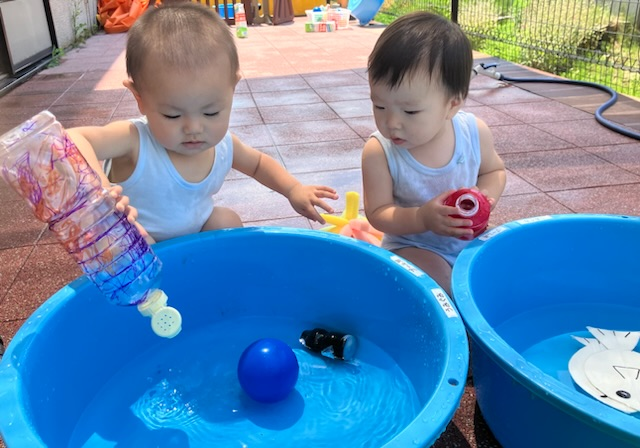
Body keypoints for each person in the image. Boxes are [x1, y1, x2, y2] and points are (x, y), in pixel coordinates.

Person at [68, 2, 337, 244]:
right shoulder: (134, 140)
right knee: (131, 242)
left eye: (211, 113)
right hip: (138, 249)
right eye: (172, 115)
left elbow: (257, 164)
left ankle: (223, 284)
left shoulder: (223, 146)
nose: (194, 128)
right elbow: (72, 139)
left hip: (194, 239)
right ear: (139, 97)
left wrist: (293, 189)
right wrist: (102, 190)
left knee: (225, 220)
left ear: (233, 88)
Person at [361, 11, 506, 296]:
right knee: (444, 288)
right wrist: (422, 219)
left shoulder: (474, 134)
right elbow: (378, 214)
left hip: (468, 243)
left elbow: (494, 171)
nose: (391, 122)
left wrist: (487, 196)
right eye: (379, 106)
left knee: (502, 275)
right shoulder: (379, 152)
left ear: (452, 105)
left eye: (410, 111)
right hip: (413, 247)